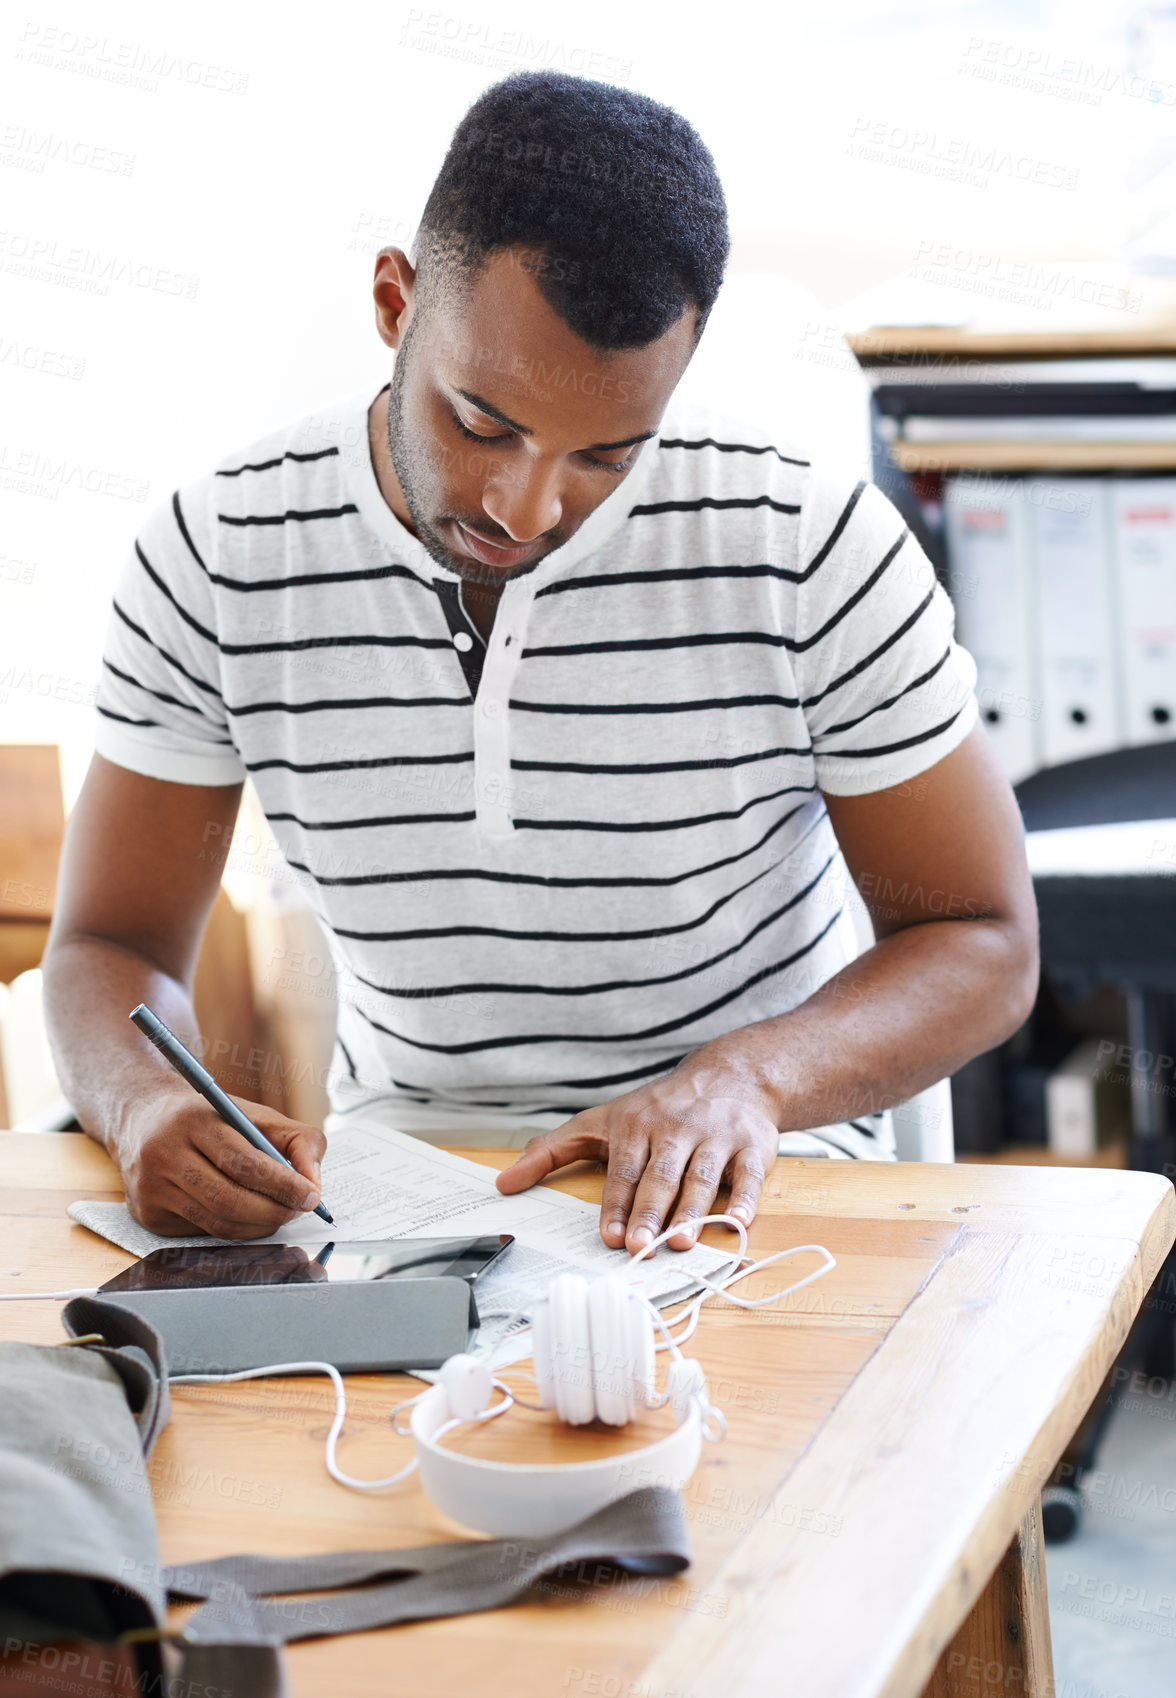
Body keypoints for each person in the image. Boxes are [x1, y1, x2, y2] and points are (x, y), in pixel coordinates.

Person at [42, 70, 1038, 1254]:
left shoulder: (807, 545)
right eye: (481, 423)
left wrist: (755, 1079)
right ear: (393, 302)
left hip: (756, 1175)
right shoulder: (219, 552)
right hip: (408, 1181)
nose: (525, 507)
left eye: (605, 456)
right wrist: (141, 1100)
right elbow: (111, 945)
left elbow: (983, 936)